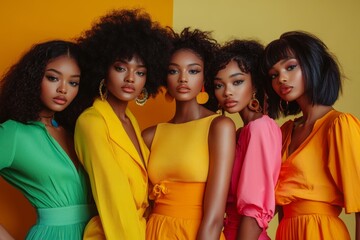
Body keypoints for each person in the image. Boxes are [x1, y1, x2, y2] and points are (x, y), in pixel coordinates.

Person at [74, 9, 172, 240]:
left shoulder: (131, 122)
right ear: (103, 70)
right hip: (113, 233)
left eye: (140, 72)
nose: (130, 78)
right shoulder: (92, 122)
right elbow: (112, 196)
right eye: (120, 68)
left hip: (141, 230)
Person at [262, 31, 360, 240]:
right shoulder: (284, 131)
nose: (282, 78)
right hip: (286, 232)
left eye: (290, 67)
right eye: (274, 74)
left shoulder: (339, 125)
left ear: (312, 64)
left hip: (322, 231)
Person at [142, 27, 236, 240]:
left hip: (198, 234)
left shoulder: (219, 126)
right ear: (163, 77)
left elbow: (214, 217)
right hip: (153, 232)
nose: (183, 78)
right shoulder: (150, 135)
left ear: (205, 77)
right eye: (173, 71)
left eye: (193, 71)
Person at [0, 40, 95, 240]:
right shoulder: (13, 133)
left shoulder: (75, 132)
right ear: (33, 79)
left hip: (93, 233)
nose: (63, 89)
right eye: (53, 78)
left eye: (73, 82)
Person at [209, 39, 282, 240]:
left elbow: (254, 211)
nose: (227, 92)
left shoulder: (261, 128)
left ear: (255, 84)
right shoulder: (241, 132)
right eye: (219, 85)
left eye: (237, 81)